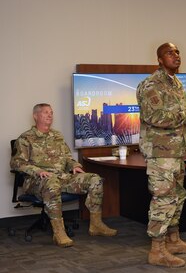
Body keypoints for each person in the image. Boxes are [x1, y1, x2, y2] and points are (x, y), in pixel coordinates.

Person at [11, 103, 117, 247]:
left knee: (95, 179)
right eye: (45, 112)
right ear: (35, 116)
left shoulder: (57, 136)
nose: (50, 115)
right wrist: (37, 171)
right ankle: (59, 232)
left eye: (51, 112)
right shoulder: (25, 138)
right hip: (37, 181)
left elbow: (68, 158)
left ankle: (96, 224)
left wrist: (75, 166)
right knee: (52, 183)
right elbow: (16, 163)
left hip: (61, 177)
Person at [137, 42, 186, 268]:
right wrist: (185, 116)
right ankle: (157, 250)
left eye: (177, 52)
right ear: (159, 59)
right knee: (163, 199)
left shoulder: (176, 84)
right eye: (170, 52)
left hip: (175, 152)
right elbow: (154, 117)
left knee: (178, 195)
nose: (176, 55)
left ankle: (173, 240)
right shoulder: (150, 85)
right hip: (159, 152)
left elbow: (178, 118)